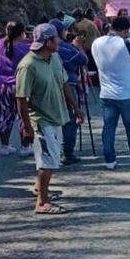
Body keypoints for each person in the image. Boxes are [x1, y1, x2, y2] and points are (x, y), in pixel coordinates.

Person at [15, 23, 84, 215]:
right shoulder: (27, 66)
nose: (60, 41)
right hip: (41, 119)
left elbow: (63, 84)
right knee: (48, 161)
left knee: (51, 159)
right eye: (56, 38)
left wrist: (75, 108)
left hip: (57, 116)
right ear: (47, 42)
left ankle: (40, 188)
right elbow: (21, 98)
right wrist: (27, 127)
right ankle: (42, 202)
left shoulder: (54, 58)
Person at [92, 16, 130, 170]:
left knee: (109, 127)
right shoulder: (127, 42)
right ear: (125, 31)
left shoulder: (96, 43)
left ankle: (110, 160)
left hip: (106, 93)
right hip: (128, 93)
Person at [48, 20, 88, 166]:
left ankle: (52, 151)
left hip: (48, 87)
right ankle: (68, 153)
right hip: (68, 85)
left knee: (51, 120)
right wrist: (78, 46)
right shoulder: (66, 48)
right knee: (71, 119)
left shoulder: (44, 48)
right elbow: (83, 60)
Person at [0, 21, 33, 156]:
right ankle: (25, 146)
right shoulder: (25, 48)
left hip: (2, 85)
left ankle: (4, 146)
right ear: (22, 33)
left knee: (6, 115)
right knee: (24, 115)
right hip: (19, 84)